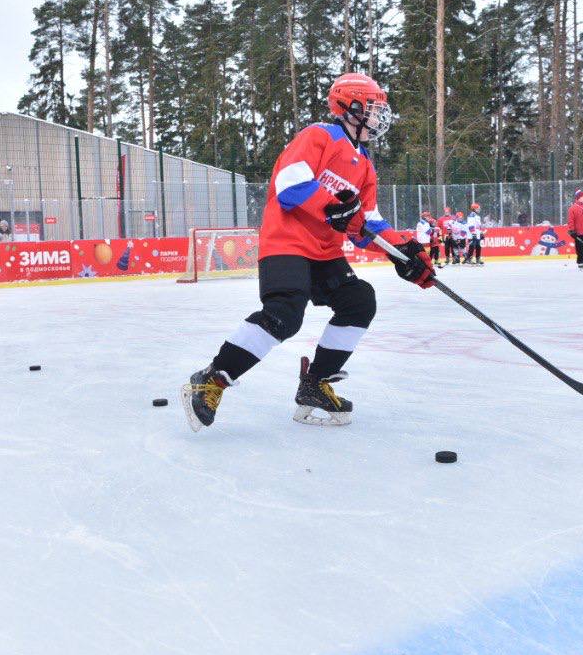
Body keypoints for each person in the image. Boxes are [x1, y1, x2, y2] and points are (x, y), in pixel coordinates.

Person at [182, 72, 435, 430]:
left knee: (359, 300)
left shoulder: (365, 166)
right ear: (350, 106)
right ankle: (212, 378)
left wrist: (404, 251)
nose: (379, 117)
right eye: (374, 108)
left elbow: (367, 224)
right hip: (286, 242)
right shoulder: (319, 136)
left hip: (325, 252)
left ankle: (315, 383)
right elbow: (290, 185)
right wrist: (333, 206)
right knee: (284, 315)